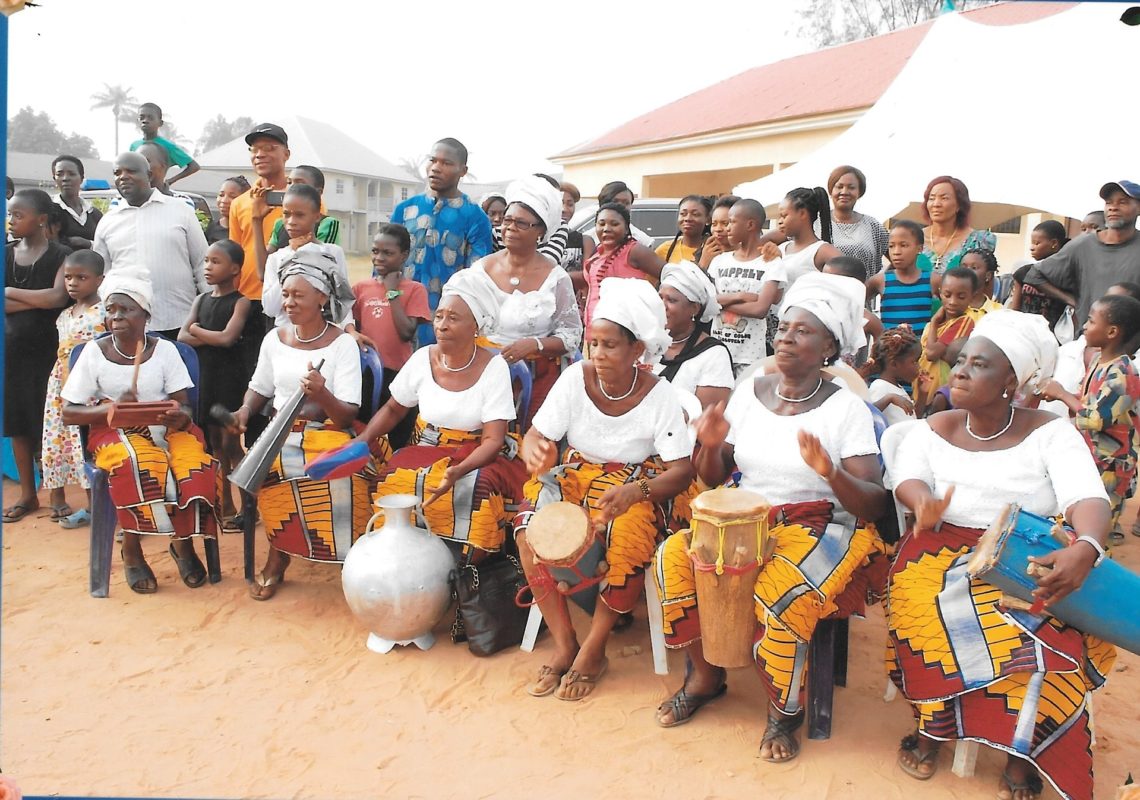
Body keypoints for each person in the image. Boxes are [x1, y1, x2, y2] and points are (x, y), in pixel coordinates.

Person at [654, 271, 885, 763]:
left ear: (829, 348)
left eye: (803, 331)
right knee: (674, 558)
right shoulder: (749, 391)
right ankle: (705, 675)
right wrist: (712, 447)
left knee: (778, 592)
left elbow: (874, 502)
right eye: (784, 329)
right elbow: (715, 478)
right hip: (747, 515)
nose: (785, 338)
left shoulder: (847, 410)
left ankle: (785, 708)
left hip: (822, 522)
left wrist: (832, 473)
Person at [887, 309, 1113, 800]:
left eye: (980, 364)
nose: (961, 370)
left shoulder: (1053, 433)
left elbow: (1087, 499)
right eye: (962, 360)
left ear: (1012, 381)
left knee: (1048, 638)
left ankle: (1022, 749)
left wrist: (1087, 548)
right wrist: (922, 503)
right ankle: (934, 725)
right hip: (937, 555)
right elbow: (909, 479)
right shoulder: (935, 426)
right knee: (929, 617)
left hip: (1023, 555)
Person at [517, 277, 693, 701]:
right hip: (576, 476)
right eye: (593, 343)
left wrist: (638, 492)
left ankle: (593, 649)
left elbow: (681, 471)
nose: (597, 354)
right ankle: (565, 645)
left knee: (628, 535)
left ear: (637, 351)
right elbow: (535, 436)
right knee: (527, 529)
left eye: (610, 345)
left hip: (639, 484)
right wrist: (534, 451)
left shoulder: (660, 395)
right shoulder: (575, 379)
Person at [229, 261, 381, 600]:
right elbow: (260, 386)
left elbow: (345, 417)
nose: (289, 303)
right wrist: (243, 410)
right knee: (266, 470)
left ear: (322, 298)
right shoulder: (274, 338)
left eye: (298, 295)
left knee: (343, 473)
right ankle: (279, 553)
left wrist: (321, 393)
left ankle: (349, 558)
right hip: (282, 430)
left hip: (328, 429)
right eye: (285, 295)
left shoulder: (341, 345)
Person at [60, 276, 219, 593]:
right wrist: (112, 410)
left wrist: (176, 416)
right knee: (139, 465)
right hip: (114, 433)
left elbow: (186, 409)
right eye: (111, 310)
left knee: (195, 467)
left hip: (166, 429)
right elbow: (69, 412)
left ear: (146, 315)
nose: (116, 317)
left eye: (126, 310)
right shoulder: (94, 353)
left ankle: (183, 543)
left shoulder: (166, 352)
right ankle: (132, 549)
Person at [356, 269, 527, 563]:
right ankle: (408, 562)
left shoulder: (493, 368)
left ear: (476, 325)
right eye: (439, 316)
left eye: (454, 318)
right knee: (392, 481)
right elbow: (394, 408)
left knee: (475, 489)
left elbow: (493, 440)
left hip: (479, 452)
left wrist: (459, 470)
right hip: (427, 445)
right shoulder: (423, 358)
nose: (442, 326)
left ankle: (466, 567)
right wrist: (363, 439)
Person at [469, 175, 582, 429]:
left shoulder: (556, 278)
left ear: (540, 231)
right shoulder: (480, 270)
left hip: (535, 378)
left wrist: (534, 344)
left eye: (521, 223)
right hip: (481, 374)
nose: (509, 228)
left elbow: (571, 337)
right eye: (507, 220)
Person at [1041, 294, 1140, 534]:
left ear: (1112, 332)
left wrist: (1063, 394)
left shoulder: (1124, 373)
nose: (1084, 326)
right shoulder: (1099, 360)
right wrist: (1059, 395)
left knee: (1098, 529)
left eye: (1091, 321)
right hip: (1091, 457)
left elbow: (1096, 418)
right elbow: (1088, 400)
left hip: (1111, 465)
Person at [3, 189, 72, 523]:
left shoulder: (61, 255)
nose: (11, 220)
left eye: (18, 214)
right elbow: (43, 298)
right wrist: (36, 298)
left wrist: (9, 292)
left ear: (41, 219)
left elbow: (58, 297)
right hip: (13, 352)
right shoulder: (5, 254)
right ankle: (27, 495)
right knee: (18, 424)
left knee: (50, 423)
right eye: (10, 214)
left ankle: (56, 493)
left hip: (49, 352)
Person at [91, 152, 208, 339]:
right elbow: (101, 275)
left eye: (131, 171)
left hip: (178, 321)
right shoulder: (108, 221)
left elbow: (202, 263)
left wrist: (209, 311)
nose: (123, 177)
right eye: (117, 172)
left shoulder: (181, 211)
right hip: (128, 327)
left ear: (149, 175)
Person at [177, 240, 251, 533]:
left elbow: (227, 339)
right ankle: (226, 506)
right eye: (206, 261)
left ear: (234, 269)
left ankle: (249, 505)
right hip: (205, 379)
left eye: (215, 262)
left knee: (233, 445)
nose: (208, 267)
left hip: (229, 382)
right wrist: (202, 333)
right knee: (215, 446)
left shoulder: (241, 303)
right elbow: (183, 336)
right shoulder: (201, 300)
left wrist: (196, 330)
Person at [392, 138, 494, 345]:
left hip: (443, 323)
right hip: (397, 314)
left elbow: (475, 279)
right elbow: (383, 262)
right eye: (433, 160)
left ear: (463, 170)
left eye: (446, 163)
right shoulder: (405, 210)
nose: (436, 168)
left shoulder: (475, 217)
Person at [348, 224, 431, 449]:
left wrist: (392, 292)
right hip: (366, 374)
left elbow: (406, 332)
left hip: (397, 375)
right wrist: (353, 332)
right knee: (364, 431)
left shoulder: (414, 290)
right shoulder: (360, 288)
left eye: (388, 253)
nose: (379, 257)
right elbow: (349, 325)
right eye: (375, 251)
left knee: (398, 437)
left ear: (404, 255)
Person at [41, 249, 106, 529]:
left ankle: (101, 508)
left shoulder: (104, 311)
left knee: (88, 446)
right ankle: (82, 505)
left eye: (82, 277)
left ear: (99, 280)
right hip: (60, 386)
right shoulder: (66, 313)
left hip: (89, 390)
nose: (73, 283)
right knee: (65, 444)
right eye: (68, 277)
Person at [1025, 180, 1140, 327]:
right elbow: (1034, 275)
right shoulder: (1083, 245)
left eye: (1122, 202)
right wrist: (1072, 301)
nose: (1113, 208)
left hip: (1132, 342)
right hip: (1088, 338)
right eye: (1109, 203)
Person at [257, 183, 351, 329]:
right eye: (286, 214)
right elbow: (270, 308)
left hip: (323, 335)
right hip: (286, 335)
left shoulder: (332, 253)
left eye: (300, 215)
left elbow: (343, 299)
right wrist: (295, 258)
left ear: (317, 217)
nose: (291, 222)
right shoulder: (276, 258)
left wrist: (350, 329)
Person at [709, 199, 778, 377]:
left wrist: (719, 303)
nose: (727, 228)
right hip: (717, 352)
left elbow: (760, 309)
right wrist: (740, 296)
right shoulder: (718, 262)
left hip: (750, 357)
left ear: (750, 224)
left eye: (731, 222)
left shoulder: (771, 263)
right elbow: (706, 300)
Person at [655, 260, 733, 409]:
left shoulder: (714, 355)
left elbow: (706, 419)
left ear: (694, 309)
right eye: (660, 298)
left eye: (671, 300)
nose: (661, 306)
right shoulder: (645, 343)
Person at [581, 203, 665, 327]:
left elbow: (670, 276)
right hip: (594, 331)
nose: (606, 229)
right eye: (601, 223)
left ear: (626, 228)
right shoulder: (597, 253)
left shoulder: (635, 251)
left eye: (614, 224)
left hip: (623, 331)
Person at [915, 266, 979, 405]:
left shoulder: (964, 321)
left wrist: (934, 323)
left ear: (972, 296)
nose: (953, 302)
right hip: (922, 389)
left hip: (940, 391)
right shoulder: (937, 321)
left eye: (961, 297)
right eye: (947, 295)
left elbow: (931, 354)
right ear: (940, 293)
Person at [867, 220, 938, 337]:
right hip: (888, 352)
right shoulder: (880, 281)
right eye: (891, 246)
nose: (896, 252)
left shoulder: (932, 280)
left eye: (903, 245)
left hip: (921, 353)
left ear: (919, 248)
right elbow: (855, 304)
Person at [768, 187, 843, 287]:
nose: (780, 221)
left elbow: (850, 277)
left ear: (802, 214)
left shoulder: (822, 251)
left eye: (784, 215)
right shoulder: (781, 248)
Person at [920, 176, 996, 273]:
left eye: (944, 198)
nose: (936, 204)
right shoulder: (913, 239)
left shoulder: (979, 241)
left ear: (959, 204)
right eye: (931, 198)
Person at [1007, 220, 1068, 330]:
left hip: (1055, 335)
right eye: (1032, 242)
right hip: (1024, 332)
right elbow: (1014, 310)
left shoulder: (1067, 275)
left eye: (1037, 243)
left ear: (1054, 243)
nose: (1031, 247)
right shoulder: (1023, 273)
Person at [267, 165, 341, 254]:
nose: (292, 188)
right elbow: (264, 263)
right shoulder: (280, 224)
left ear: (318, 192)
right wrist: (256, 220)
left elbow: (320, 260)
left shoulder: (327, 223)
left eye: (299, 183)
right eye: (289, 182)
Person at [129, 102, 200, 186]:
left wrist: (170, 181)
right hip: (137, 190)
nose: (145, 121)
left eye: (150, 118)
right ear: (138, 121)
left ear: (160, 123)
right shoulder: (134, 146)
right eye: (142, 118)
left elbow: (194, 166)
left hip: (157, 190)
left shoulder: (167, 146)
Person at [866, 325, 924, 425]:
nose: (918, 366)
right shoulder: (880, 387)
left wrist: (923, 393)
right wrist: (889, 398)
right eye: (914, 362)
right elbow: (868, 415)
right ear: (894, 364)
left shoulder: (897, 387)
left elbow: (913, 419)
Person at [51, 155, 103, 250]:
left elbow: (106, 246)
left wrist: (87, 243)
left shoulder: (94, 214)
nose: (65, 178)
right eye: (60, 174)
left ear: (82, 178)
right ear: (54, 178)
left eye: (72, 174)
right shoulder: (48, 211)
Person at [582, 180, 655, 248]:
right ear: (602, 205)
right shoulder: (586, 240)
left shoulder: (643, 241)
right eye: (615, 202)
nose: (620, 207)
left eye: (626, 203)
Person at [134, 141, 195, 209]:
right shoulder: (124, 203)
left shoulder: (183, 204)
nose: (137, 166)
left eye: (145, 161)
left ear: (163, 167)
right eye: (135, 161)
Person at [655, 195, 711, 265]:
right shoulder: (664, 250)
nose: (687, 218)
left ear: (708, 219)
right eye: (683, 214)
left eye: (695, 214)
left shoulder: (712, 249)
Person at [557, 181, 593, 273]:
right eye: (560, 203)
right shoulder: (535, 239)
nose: (564, 209)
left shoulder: (585, 241)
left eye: (570, 204)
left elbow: (587, 277)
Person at [697, 194, 739, 271]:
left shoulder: (753, 256)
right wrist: (703, 262)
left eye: (725, 223)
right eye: (714, 224)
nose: (718, 229)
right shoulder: (706, 252)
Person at [206, 176, 250, 244]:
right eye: (221, 195)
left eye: (232, 197)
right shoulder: (211, 228)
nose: (224, 200)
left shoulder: (250, 229)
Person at [960, 248, 1003, 314]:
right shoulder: (952, 307)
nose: (967, 271)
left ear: (988, 275)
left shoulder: (998, 311)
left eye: (974, 268)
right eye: (963, 267)